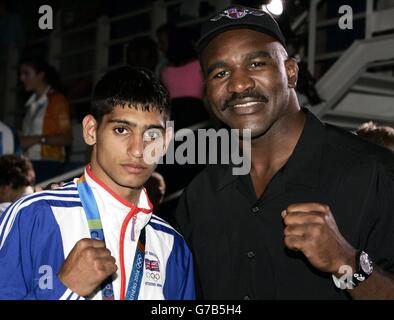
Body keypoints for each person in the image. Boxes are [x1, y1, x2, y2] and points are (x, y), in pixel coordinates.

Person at [175, 6, 394, 299]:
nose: (238, 84)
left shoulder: (374, 173)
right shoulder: (200, 196)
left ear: (290, 72)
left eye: (256, 64)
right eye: (221, 73)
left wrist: (347, 263)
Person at [0, 66, 195, 300]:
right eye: (121, 129)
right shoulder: (32, 215)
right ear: (91, 130)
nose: (138, 150)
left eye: (152, 135)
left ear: (165, 142)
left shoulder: (172, 244)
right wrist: (64, 291)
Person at [19, 57, 72, 183]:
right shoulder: (31, 104)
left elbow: (67, 138)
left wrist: (36, 139)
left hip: (49, 164)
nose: (22, 78)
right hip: (30, 163)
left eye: (26, 73)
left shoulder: (57, 101)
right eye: (21, 74)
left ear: (40, 75)